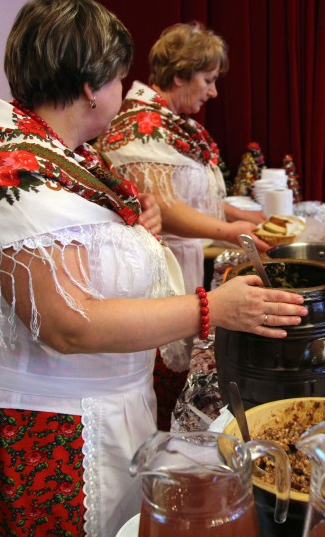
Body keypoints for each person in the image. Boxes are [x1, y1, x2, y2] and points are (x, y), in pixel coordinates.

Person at [0, 0, 306, 537]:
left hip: (95, 414)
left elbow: (86, 247)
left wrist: (134, 229)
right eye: (120, 78)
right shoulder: (7, 171)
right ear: (89, 87)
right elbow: (69, 323)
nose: (125, 91)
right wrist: (210, 308)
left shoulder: (64, 155)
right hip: (41, 435)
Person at [96, 22, 268, 428]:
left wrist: (238, 214)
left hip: (185, 261)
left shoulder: (172, 123)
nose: (213, 92)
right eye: (207, 80)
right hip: (156, 270)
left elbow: (194, 198)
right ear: (178, 76)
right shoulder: (138, 127)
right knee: (161, 374)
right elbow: (167, 209)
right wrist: (232, 232)